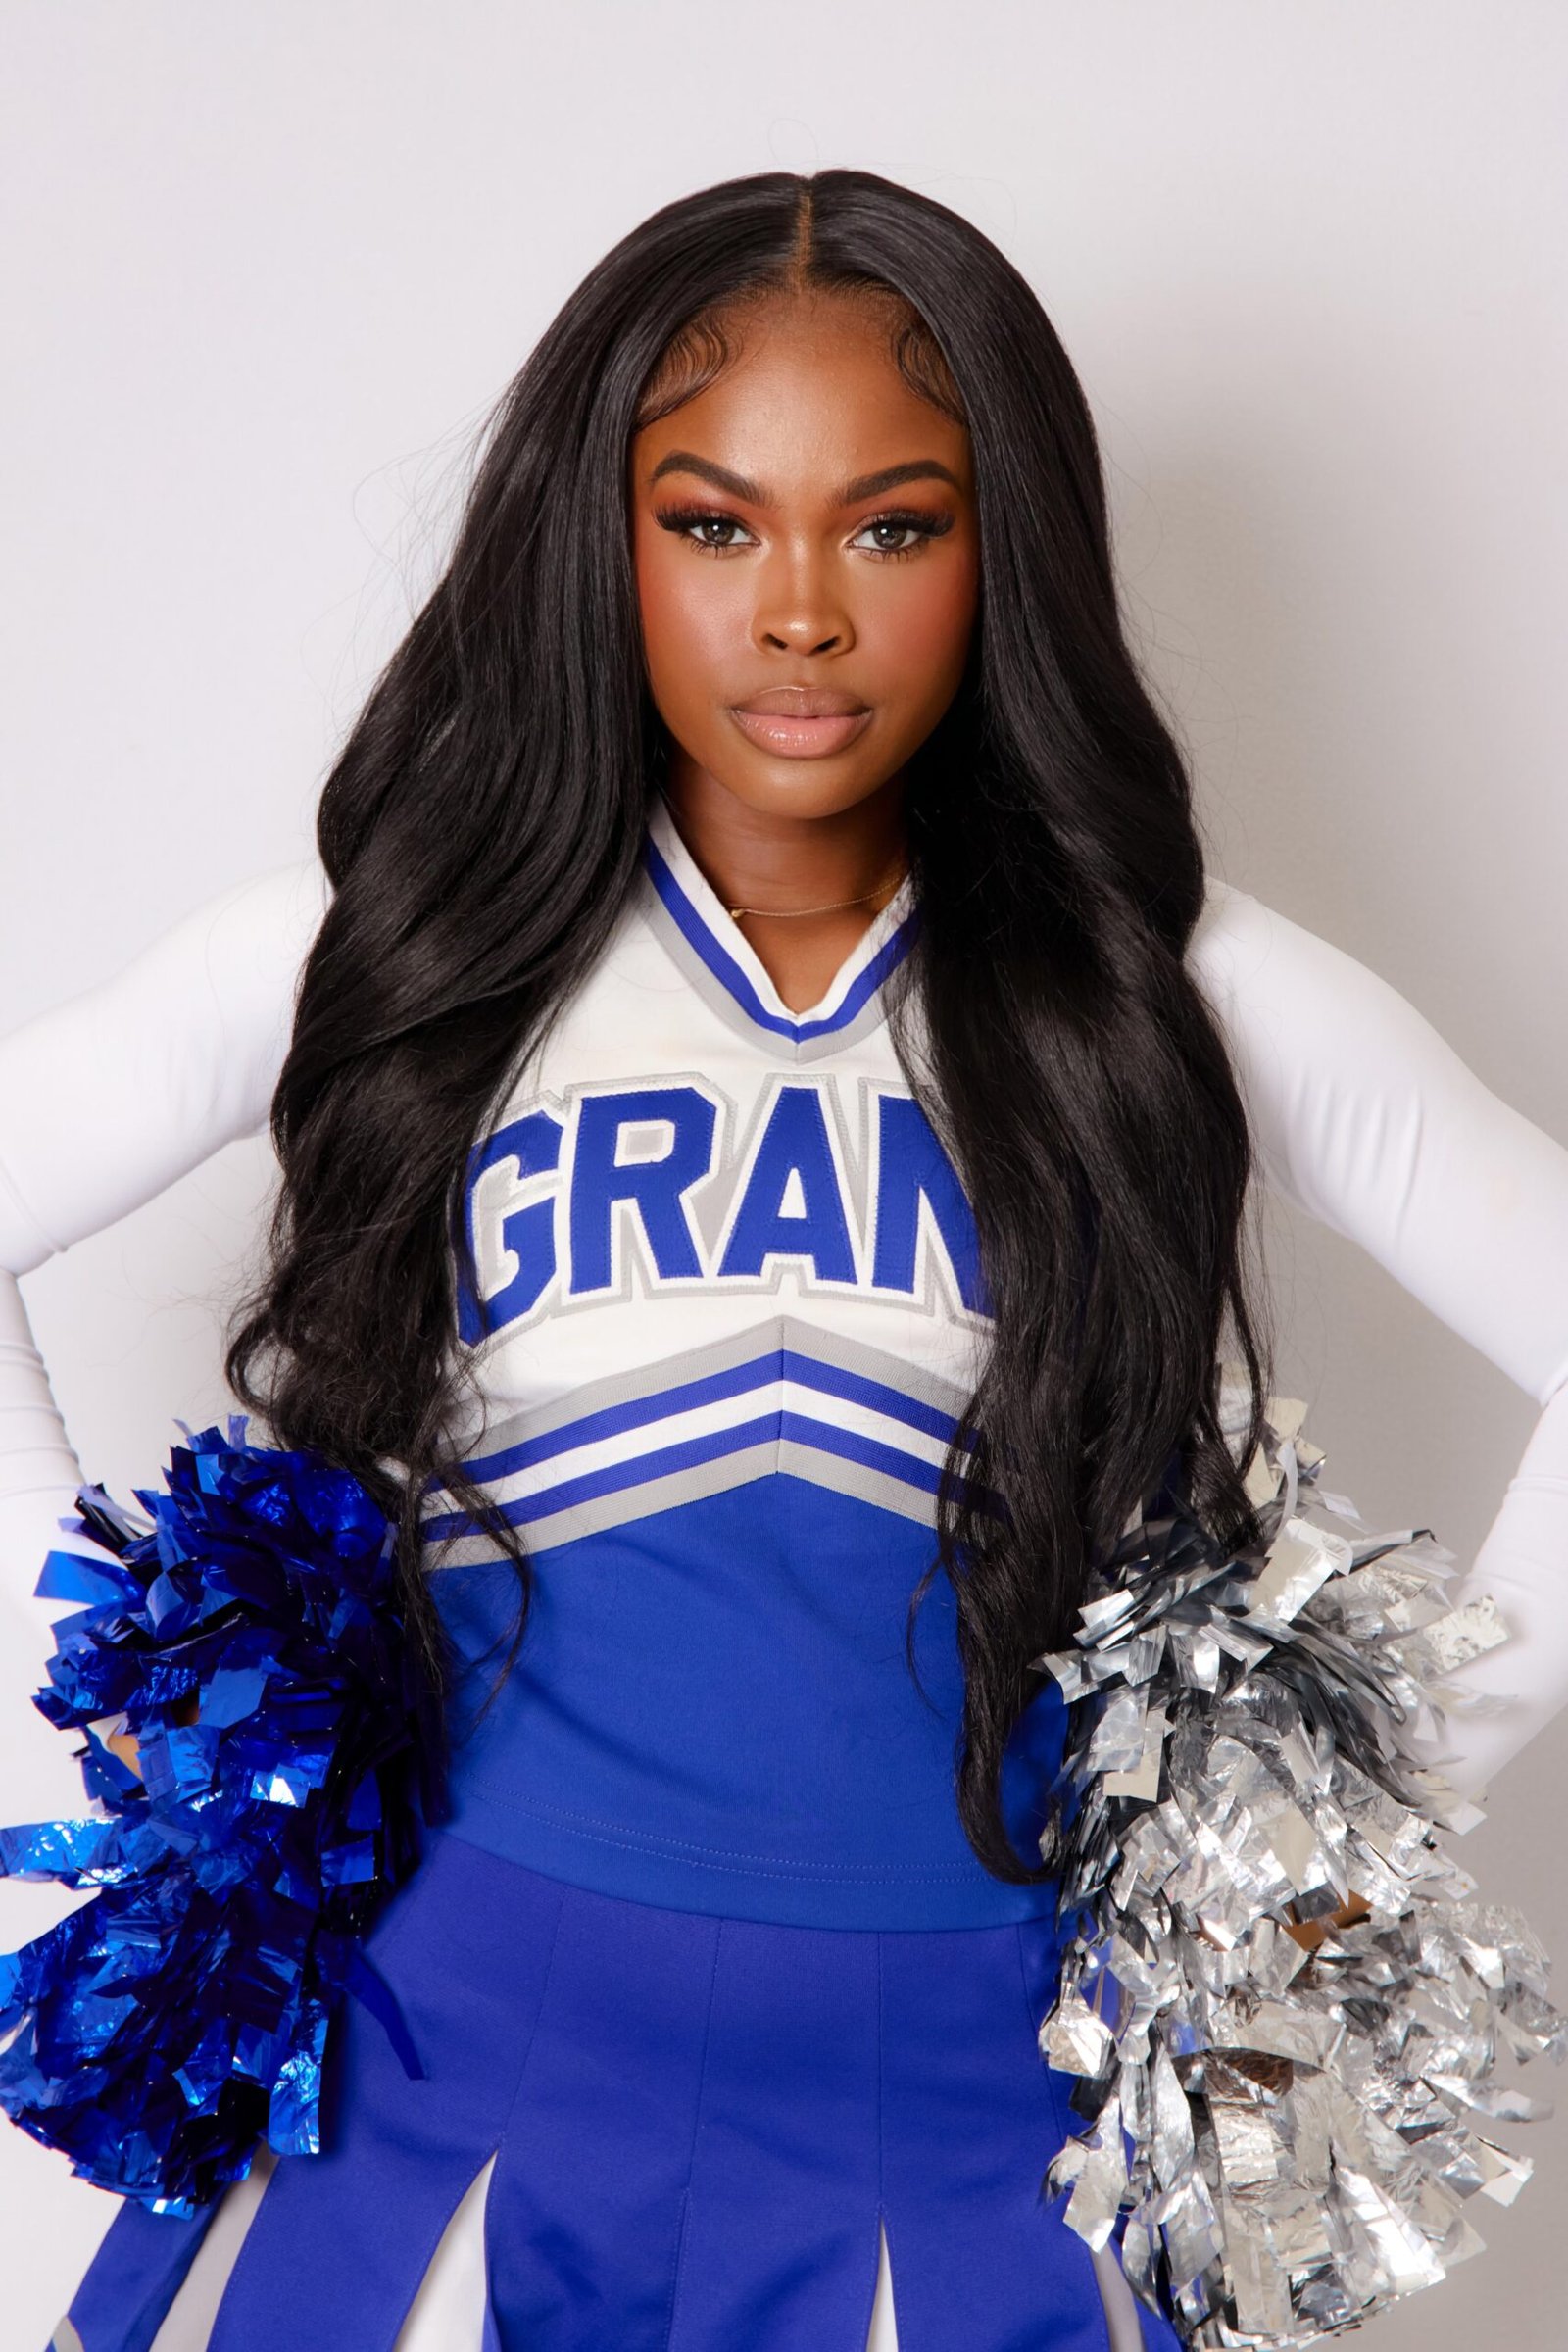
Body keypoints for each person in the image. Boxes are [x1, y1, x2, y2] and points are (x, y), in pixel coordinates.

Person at [4, 168, 1567, 2352]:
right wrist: (145, 1728)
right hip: (453, 2061)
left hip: (982, 2111)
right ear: (602, 540)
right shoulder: (396, 954)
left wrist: (1339, 1812)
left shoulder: (1166, 991)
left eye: (894, 528)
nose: (803, 613)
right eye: (714, 524)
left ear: (1004, 553)